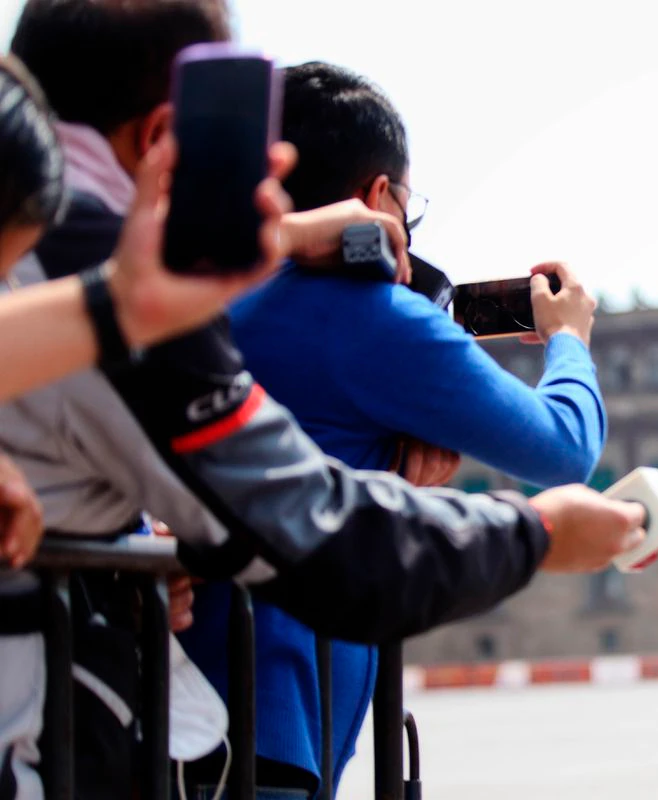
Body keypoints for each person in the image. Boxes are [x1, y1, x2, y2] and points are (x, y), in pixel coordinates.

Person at [180, 60, 607, 797]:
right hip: (279, 714)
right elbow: (564, 446)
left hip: (173, 695)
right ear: (379, 195)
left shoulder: (191, 297)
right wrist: (569, 337)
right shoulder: (367, 315)